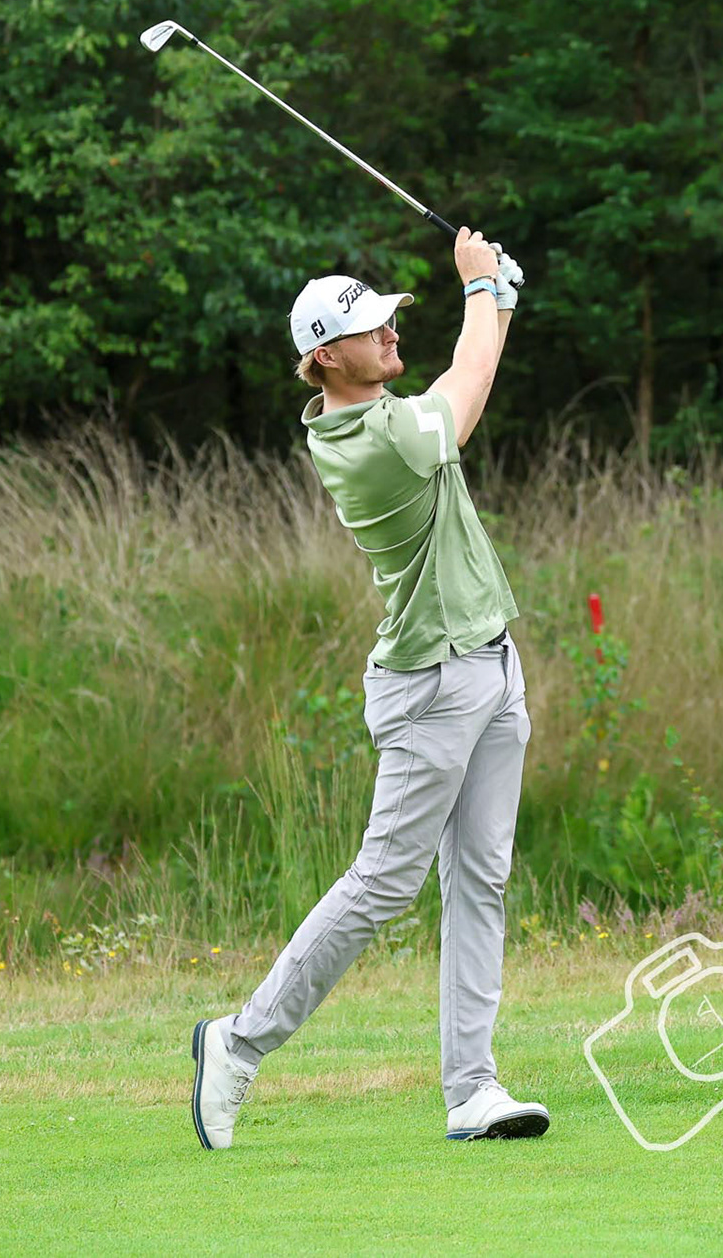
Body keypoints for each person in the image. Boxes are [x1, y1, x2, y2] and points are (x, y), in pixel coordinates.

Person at [191, 227, 548, 1148]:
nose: (390, 332)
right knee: (384, 884)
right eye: (370, 328)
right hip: (430, 684)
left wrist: (497, 302)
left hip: (490, 661)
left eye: (389, 317)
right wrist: (482, 291)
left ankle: (472, 1090)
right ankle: (235, 1043)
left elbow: (466, 375)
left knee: (481, 881)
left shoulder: (388, 411)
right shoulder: (371, 440)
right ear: (326, 358)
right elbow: (462, 395)